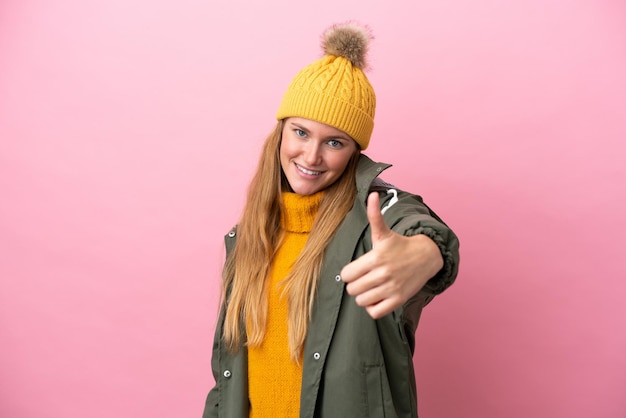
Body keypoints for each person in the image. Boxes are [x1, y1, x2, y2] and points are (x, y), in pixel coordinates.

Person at [202, 22, 460, 418]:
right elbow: (228, 377)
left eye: (334, 142)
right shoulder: (247, 237)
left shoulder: (376, 216)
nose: (311, 156)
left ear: (355, 152)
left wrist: (425, 253)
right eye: (301, 133)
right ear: (281, 132)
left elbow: (421, 228)